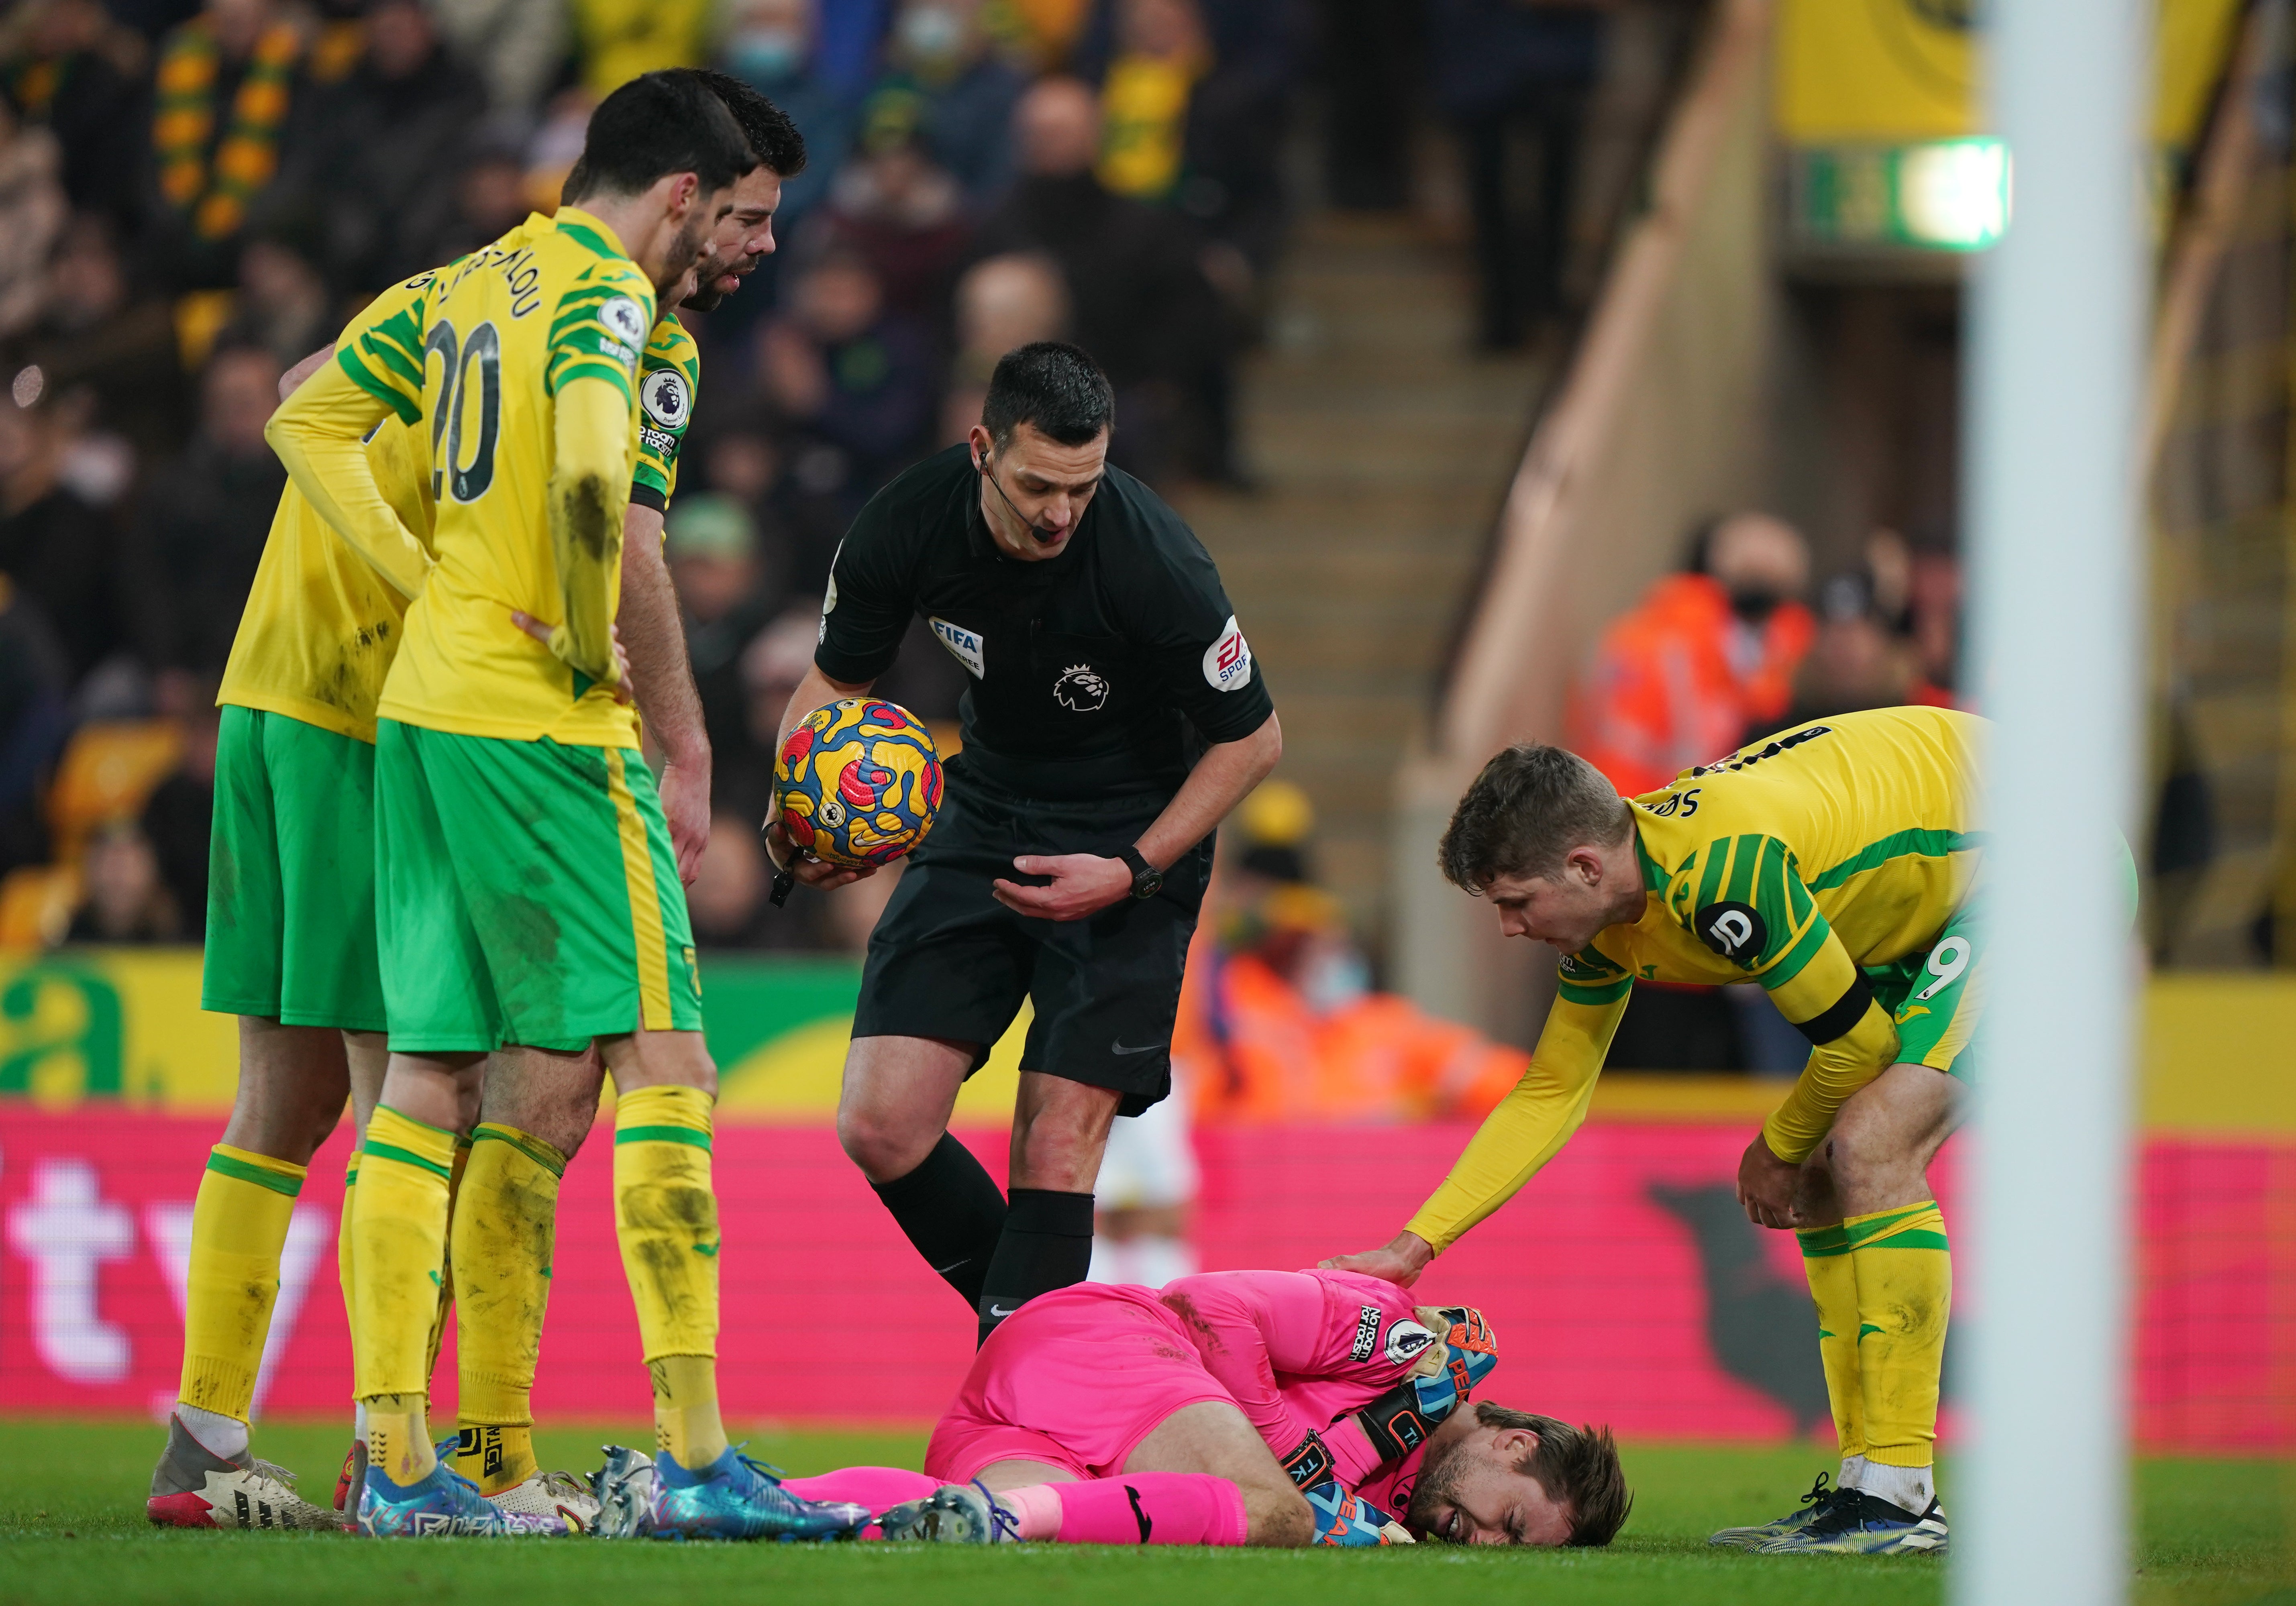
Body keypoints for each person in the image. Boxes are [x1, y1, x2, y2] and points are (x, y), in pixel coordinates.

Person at [265, 71, 850, 1542]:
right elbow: (604, 489)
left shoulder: (466, 279)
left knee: (436, 1079)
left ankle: (413, 1463)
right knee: (666, 1062)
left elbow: (305, 415)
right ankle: (700, 1458)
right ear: (677, 195)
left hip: (419, 716)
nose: (761, 248)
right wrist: (612, 670)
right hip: (545, 726)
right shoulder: (611, 308)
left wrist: (425, 587)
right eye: (750, 218)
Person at [1322, 707, 2019, 1555]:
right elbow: (1550, 1089)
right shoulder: (1616, 909)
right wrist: (1414, 1246)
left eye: (1515, 901)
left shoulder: (1725, 872)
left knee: (1868, 1141)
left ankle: (1900, 1499)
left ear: (1582, 865)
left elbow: (1858, 1041)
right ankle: (1869, 1491)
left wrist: (1777, 1143)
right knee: (1834, 1171)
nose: (1511, 927)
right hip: (1923, 896)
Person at [770, 340, 1282, 1346]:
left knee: (1056, 1136)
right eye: (1039, 484)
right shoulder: (904, 525)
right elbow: (835, 685)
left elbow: (1254, 738)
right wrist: (794, 817)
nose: (1060, 511)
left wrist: (1134, 867)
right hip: (989, 806)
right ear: (981, 449)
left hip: (1137, 831)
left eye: (1082, 488)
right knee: (879, 1123)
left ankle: (1028, 1388)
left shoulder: (1154, 558)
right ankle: (1065, 1345)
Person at [689, 1269, 1630, 1549]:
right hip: (1107, 1340)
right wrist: (1284, 1463)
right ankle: (1002, 1511)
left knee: (1009, 1538)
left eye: (1512, 1546)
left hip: (1026, 1427)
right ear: (1513, 1441)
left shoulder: (1392, 1510)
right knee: (1276, 1513)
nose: (1486, 1545)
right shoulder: (1404, 1345)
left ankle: (694, 1492)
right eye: (1511, 1519)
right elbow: (1211, 1305)